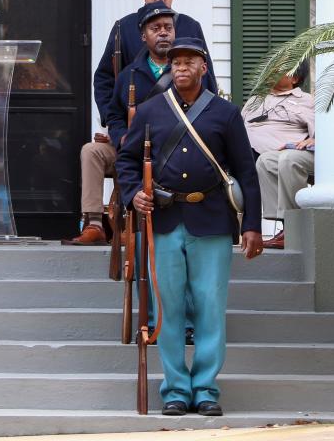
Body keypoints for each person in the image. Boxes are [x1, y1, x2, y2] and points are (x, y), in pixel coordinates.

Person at [116, 37, 262, 417]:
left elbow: (246, 171)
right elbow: (127, 161)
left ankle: (206, 389)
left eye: (189, 61)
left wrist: (253, 226)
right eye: (175, 62)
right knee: (168, 308)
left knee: (211, 307)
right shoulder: (149, 111)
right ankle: (176, 390)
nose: (180, 67)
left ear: (203, 68)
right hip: (163, 220)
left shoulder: (226, 114)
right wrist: (133, 194)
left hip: (212, 218)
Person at [66, 0, 216, 246]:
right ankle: (95, 223)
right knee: (91, 152)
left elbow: (206, 82)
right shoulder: (123, 29)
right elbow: (105, 81)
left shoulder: (190, 26)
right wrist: (116, 128)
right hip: (130, 134)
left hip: (179, 136)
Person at [63, 0, 176, 246]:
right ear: (143, 36)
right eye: (155, 28)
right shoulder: (128, 75)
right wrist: (121, 135)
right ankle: (94, 224)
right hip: (131, 149)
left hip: (174, 152)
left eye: (168, 26)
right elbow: (114, 114)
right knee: (92, 152)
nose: (163, 32)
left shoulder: (187, 70)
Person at [242, 62, 314, 249]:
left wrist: (315, 139)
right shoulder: (255, 101)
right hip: (254, 154)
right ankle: (285, 227)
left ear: (295, 78)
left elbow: (322, 131)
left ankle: (293, 228)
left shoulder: (306, 100)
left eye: (282, 69)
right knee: (266, 161)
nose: (273, 70)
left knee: (287, 159)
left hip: (295, 152)